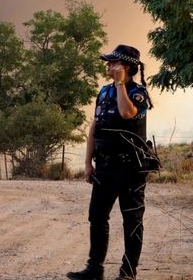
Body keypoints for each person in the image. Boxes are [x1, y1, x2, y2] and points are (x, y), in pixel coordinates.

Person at [68, 45, 154, 280]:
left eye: (112, 63)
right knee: (96, 216)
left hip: (131, 169)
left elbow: (127, 113)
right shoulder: (103, 92)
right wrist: (88, 163)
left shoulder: (138, 93)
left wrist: (120, 84)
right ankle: (94, 269)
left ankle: (128, 273)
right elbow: (94, 127)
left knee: (132, 221)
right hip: (105, 167)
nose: (107, 66)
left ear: (125, 67)